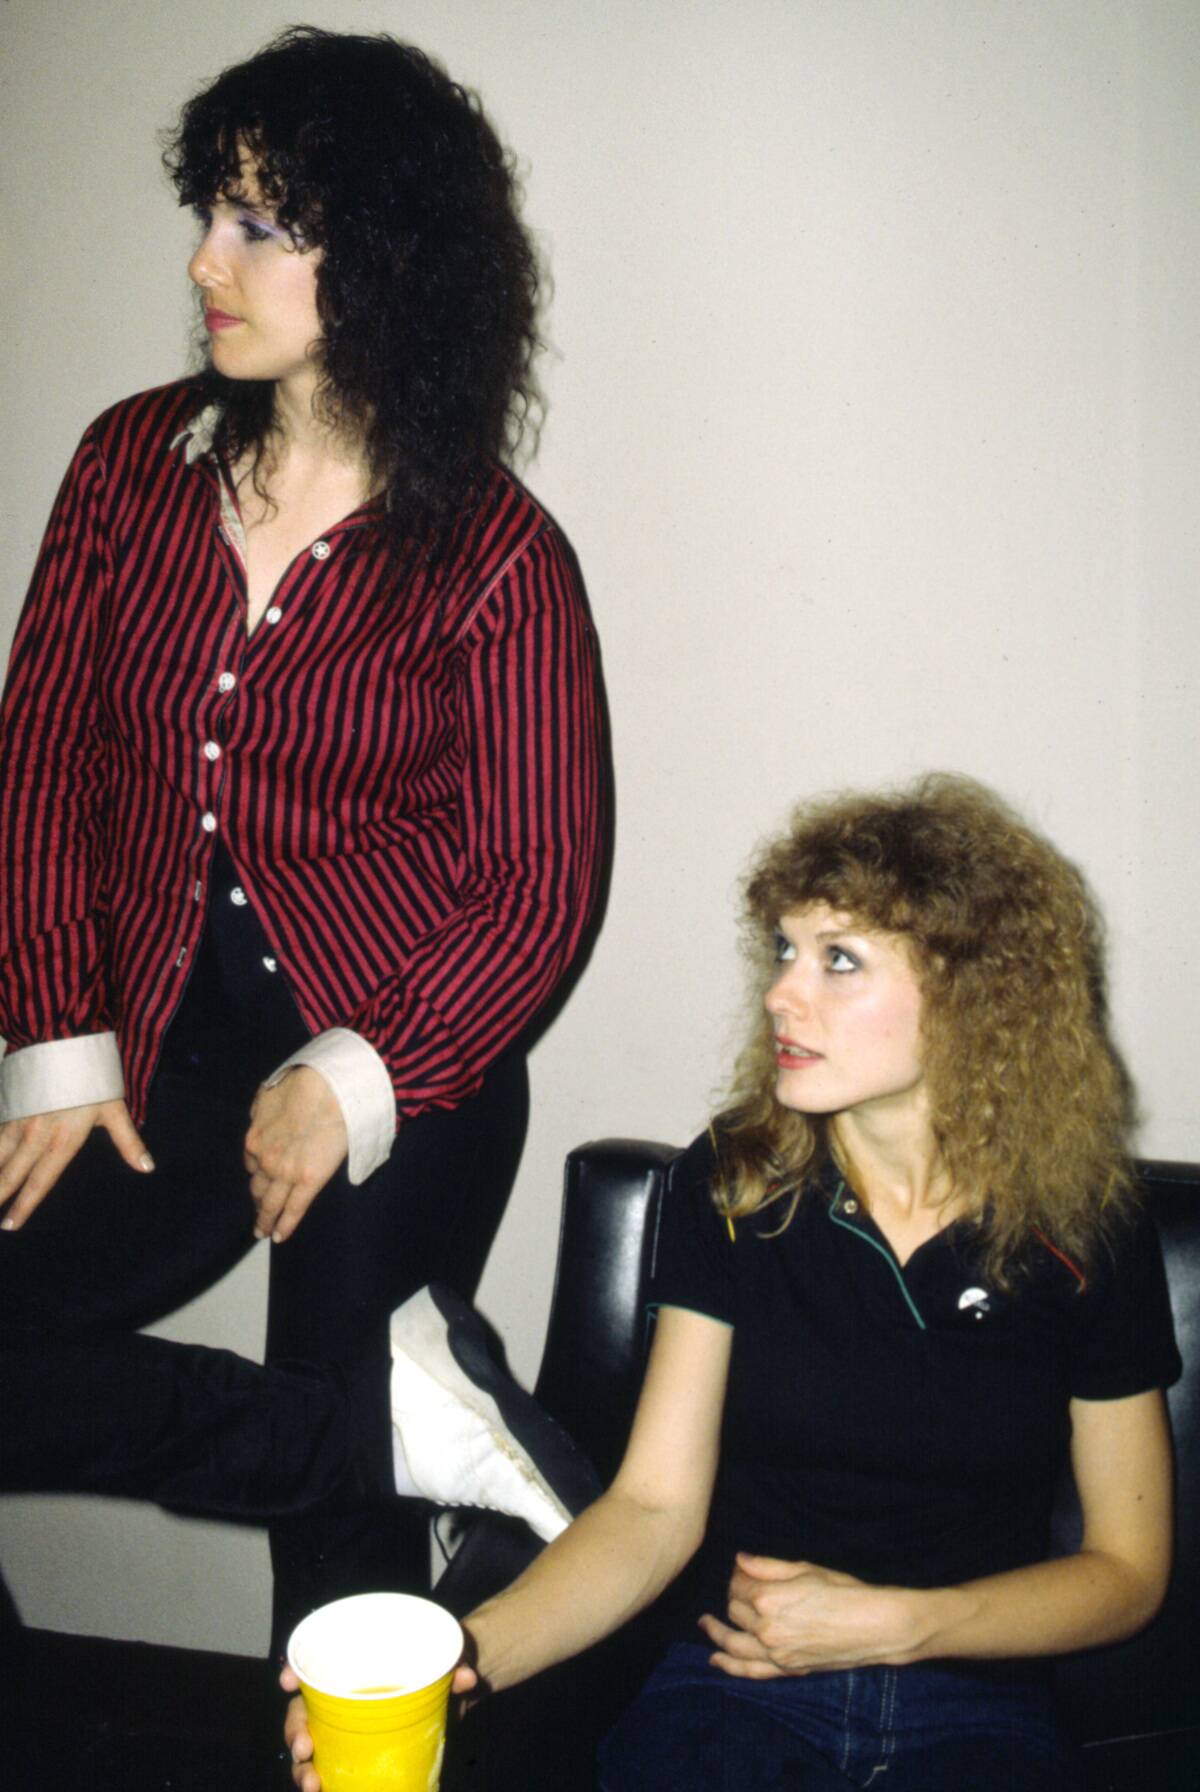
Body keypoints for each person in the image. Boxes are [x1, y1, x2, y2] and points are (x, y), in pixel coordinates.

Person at [0, 26, 603, 1652]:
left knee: (336, 1572)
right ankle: (378, 1436)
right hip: (157, 1053)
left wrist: (355, 1077)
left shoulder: (493, 548)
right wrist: (57, 1029)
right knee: (292, 1433)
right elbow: (44, 748)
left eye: (265, 223)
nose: (207, 259)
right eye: (211, 210)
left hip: (405, 1060)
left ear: (388, 256)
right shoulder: (133, 461)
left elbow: (537, 889)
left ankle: (359, 1480)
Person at [281, 773, 1179, 1790]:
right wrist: (461, 1660)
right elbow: (652, 1510)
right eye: (787, 951)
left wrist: (900, 1624)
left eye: (840, 960)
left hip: (973, 1699)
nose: (782, 992)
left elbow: (1127, 1570)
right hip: (733, 1683)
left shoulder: (1083, 1225)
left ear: (977, 993)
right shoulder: (736, 1181)